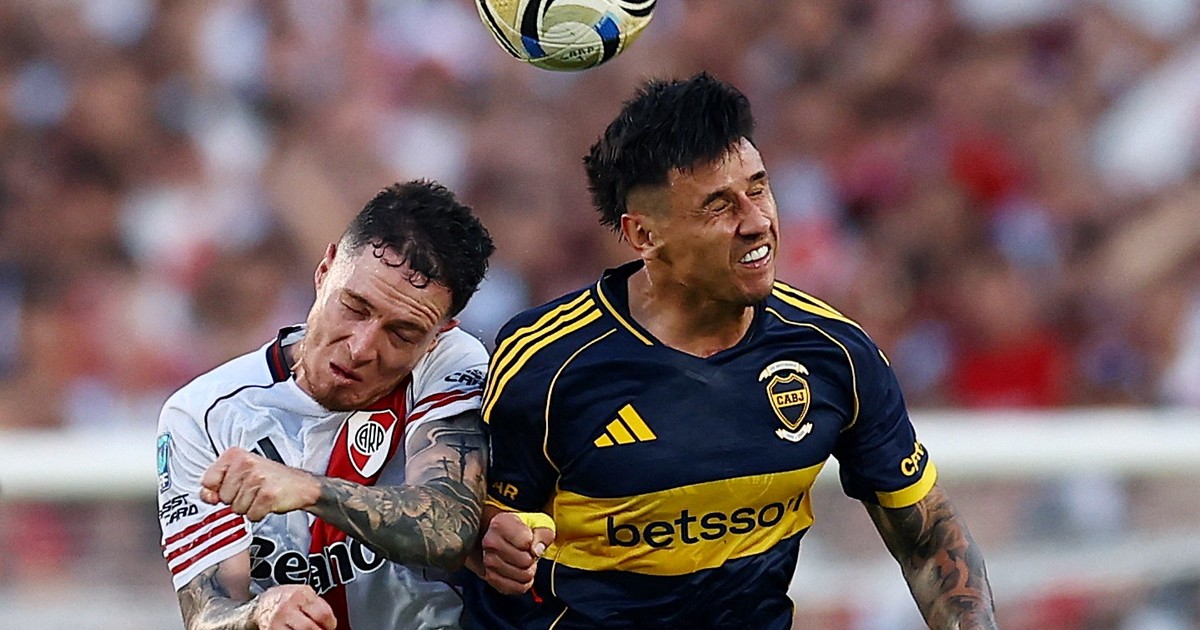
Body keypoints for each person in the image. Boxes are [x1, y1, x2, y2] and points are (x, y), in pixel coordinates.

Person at [464, 73, 997, 629]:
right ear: (644, 235)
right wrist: (486, 535)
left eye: (758, 188)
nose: (757, 222)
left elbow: (929, 539)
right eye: (718, 206)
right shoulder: (546, 364)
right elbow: (476, 533)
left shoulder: (833, 353)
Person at [156, 180, 496, 630]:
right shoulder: (204, 414)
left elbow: (450, 527)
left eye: (402, 333)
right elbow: (207, 612)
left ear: (439, 335)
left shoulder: (451, 363)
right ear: (324, 270)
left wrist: (309, 489)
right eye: (354, 307)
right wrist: (258, 614)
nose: (360, 347)